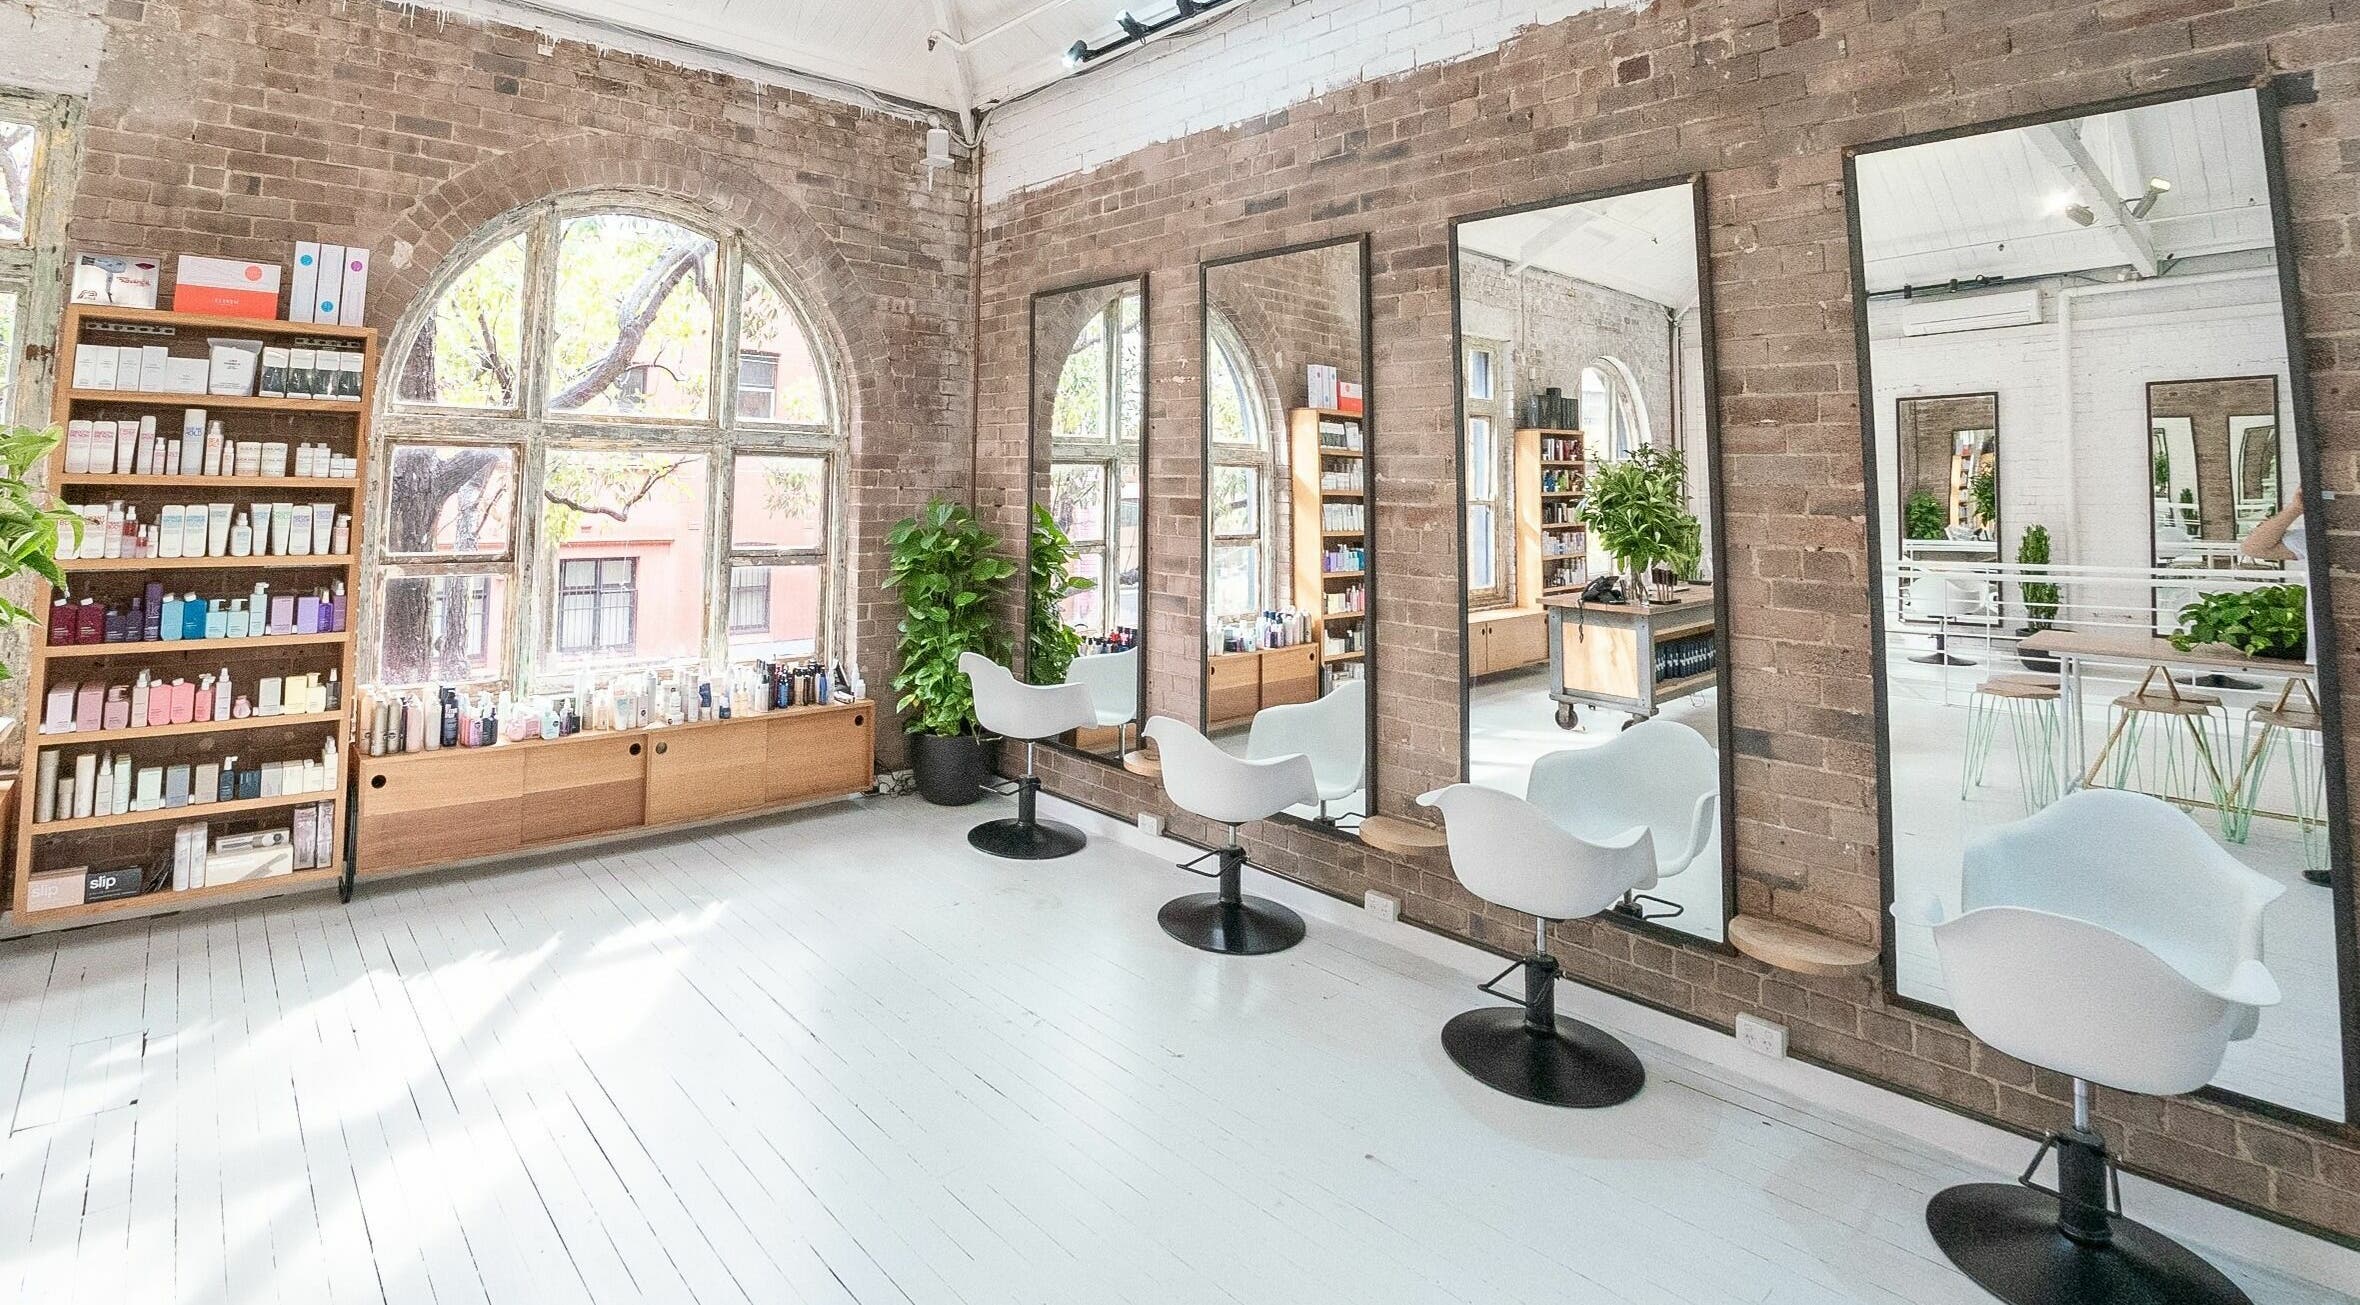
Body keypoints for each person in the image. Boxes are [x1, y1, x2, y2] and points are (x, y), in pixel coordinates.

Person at [2242, 488, 2328, 886]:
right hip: (2327, 658)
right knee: (2340, 763)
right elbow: (2256, 546)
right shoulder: (2322, 534)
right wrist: (2296, 508)